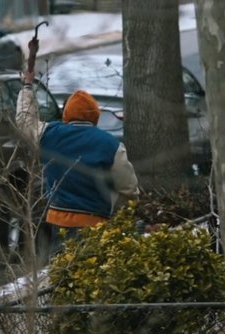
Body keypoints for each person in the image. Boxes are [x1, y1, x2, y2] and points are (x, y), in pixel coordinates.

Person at [15, 40, 139, 253]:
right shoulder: (111, 145)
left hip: (58, 221)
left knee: (62, 275)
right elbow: (128, 190)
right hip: (94, 222)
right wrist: (115, 212)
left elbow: (25, 121)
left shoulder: (50, 135)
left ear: (66, 114)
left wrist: (28, 86)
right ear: (96, 117)